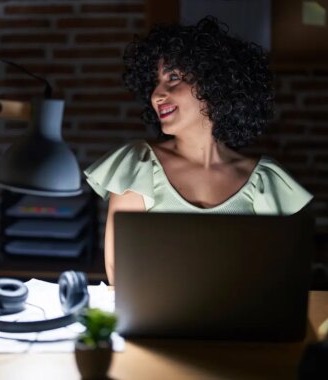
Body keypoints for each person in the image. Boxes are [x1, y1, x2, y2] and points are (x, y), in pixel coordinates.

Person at [84, 16, 313, 285]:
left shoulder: (266, 181)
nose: (157, 94)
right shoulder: (138, 165)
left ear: (214, 84)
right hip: (155, 324)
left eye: (173, 77)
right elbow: (119, 275)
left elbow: (279, 280)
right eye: (156, 82)